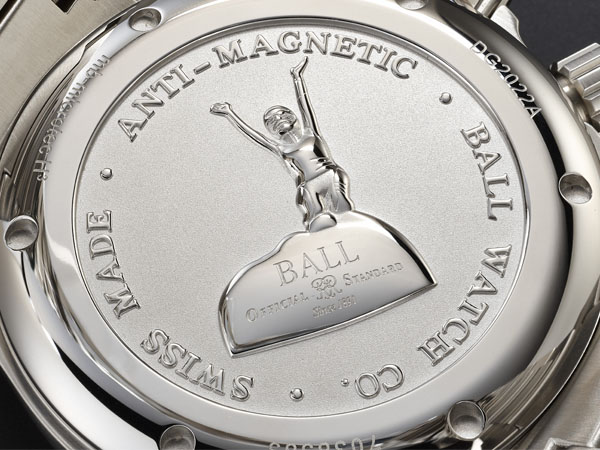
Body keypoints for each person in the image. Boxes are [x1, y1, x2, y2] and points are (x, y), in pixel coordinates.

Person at [211, 57, 354, 230]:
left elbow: (304, 105)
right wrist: (229, 113)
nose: (278, 119)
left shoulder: (311, 132)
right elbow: (254, 136)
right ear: (270, 130)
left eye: (282, 114)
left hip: (330, 174)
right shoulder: (281, 148)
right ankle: (320, 227)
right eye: (271, 121)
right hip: (310, 184)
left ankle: (351, 225)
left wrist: (297, 77)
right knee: (316, 214)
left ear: (293, 116)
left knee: (343, 207)